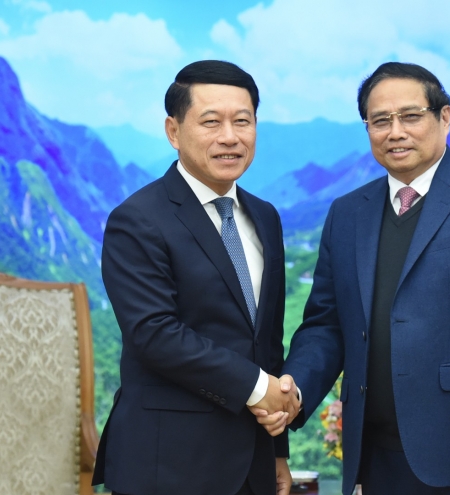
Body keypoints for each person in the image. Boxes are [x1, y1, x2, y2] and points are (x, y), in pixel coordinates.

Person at [256, 62, 450, 495]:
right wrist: (293, 392)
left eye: (411, 116)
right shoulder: (347, 213)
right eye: (380, 121)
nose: (395, 132)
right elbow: (327, 325)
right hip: (377, 460)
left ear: (444, 117)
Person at [92, 60, 299, 495]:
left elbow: (266, 341)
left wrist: (276, 449)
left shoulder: (265, 217)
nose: (230, 137)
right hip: (168, 466)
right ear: (174, 131)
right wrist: (257, 387)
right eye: (211, 122)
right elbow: (155, 333)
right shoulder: (137, 219)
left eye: (242, 121)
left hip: (252, 468)